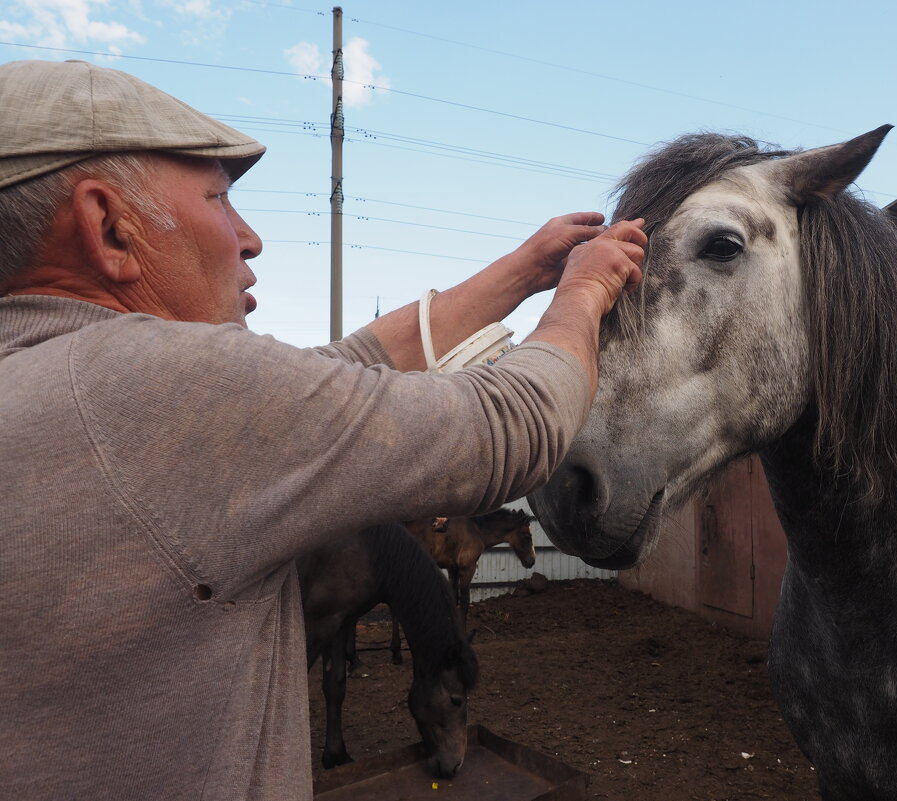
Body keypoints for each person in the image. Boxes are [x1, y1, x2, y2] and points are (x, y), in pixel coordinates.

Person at [0, 59, 646, 801]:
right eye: (219, 198)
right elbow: (512, 423)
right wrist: (585, 289)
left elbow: (350, 362)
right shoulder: (165, 387)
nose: (249, 238)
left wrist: (520, 271)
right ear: (109, 226)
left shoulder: (55, 387)